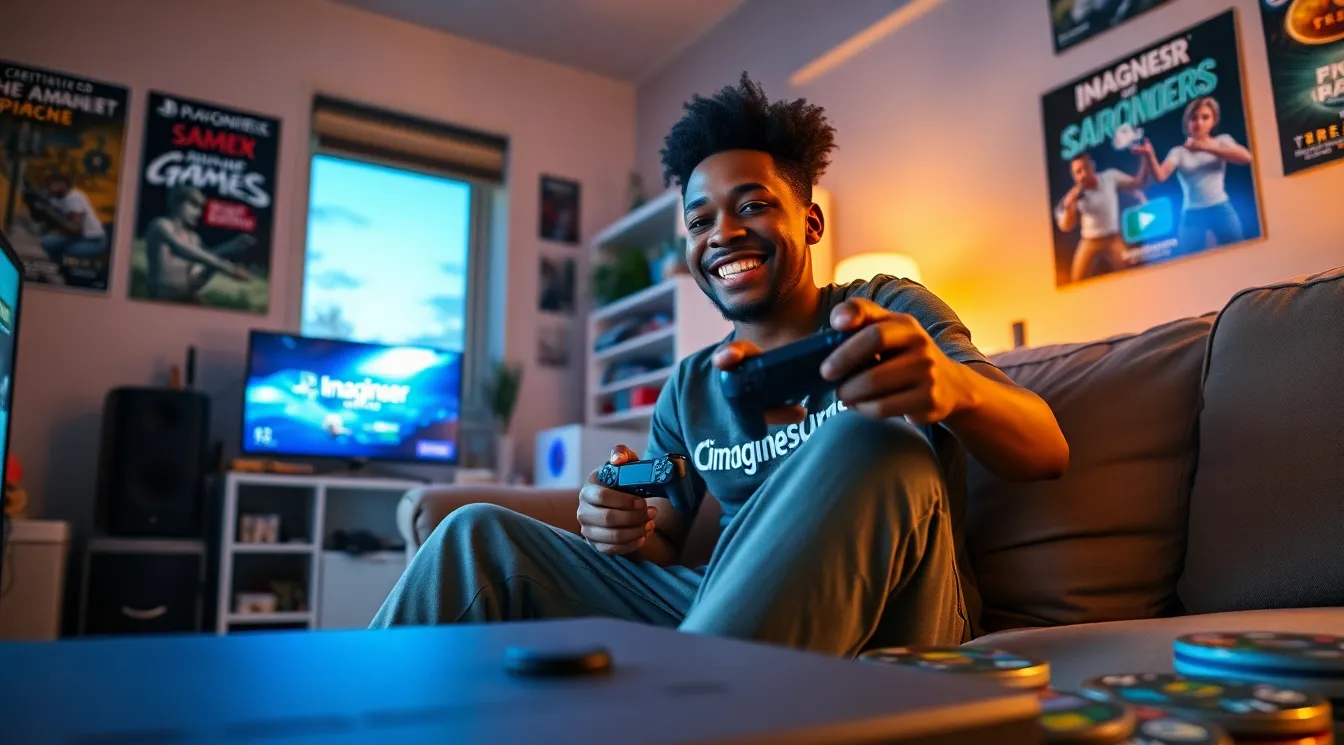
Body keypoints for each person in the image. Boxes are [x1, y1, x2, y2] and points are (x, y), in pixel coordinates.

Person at [370, 73, 1069, 655]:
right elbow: (665, 533)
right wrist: (618, 518)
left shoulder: (887, 305)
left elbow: (1047, 450)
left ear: (811, 223)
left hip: (896, 616)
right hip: (719, 607)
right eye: (700, 221)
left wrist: (951, 389)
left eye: (753, 206)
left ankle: (689, 725)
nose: (723, 233)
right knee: (474, 534)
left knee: (870, 436)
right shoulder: (690, 383)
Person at [1132, 96, 1253, 255]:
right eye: (1194, 118)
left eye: (1205, 117)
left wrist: (1205, 147)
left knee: (1239, 253)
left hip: (1221, 207)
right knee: (1189, 260)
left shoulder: (1222, 141)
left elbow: (1246, 157)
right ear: (1187, 123)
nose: (1199, 123)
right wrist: (1149, 155)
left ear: (1214, 120)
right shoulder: (1178, 152)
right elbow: (1160, 177)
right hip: (1192, 214)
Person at [142, 184, 254, 302]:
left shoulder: (193, 238)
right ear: (176, 204)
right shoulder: (160, 225)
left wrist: (229, 248)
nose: (199, 213)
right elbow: (181, 249)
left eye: (200, 208)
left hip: (188, 298)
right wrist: (228, 268)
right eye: (194, 206)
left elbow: (201, 261)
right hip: (160, 299)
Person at [1054, 153, 1147, 282]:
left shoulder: (1110, 177)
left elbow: (1137, 183)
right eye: (1078, 172)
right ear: (1074, 176)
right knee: (1075, 279)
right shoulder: (1074, 197)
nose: (1083, 175)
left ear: (1092, 166)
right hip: (1089, 241)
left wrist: (1146, 157)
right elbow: (1066, 226)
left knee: (1130, 273)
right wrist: (1070, 207)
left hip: (1112, 238)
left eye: (1085, 168)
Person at [29, 172, 108, 267]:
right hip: (73, 237)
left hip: (92, 240)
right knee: (47, 243)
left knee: (67, 252)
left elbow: (76, 228)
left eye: (54, 184)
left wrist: (55, 220)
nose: (51, 187)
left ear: (64, 184)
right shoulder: (55, 199)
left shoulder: (74, 197)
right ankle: (57, 267)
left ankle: (65, 271)